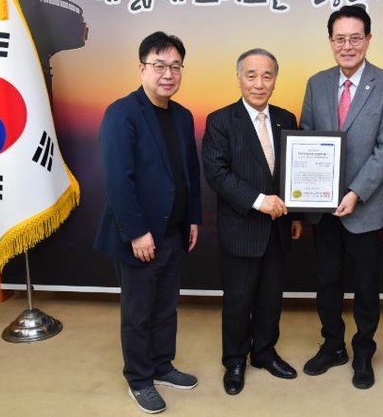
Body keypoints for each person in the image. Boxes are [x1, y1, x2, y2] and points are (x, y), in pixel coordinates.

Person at [95, 31, 202, 414]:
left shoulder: (182, 116)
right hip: (139, 236)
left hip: (174, 232)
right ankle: (139, 379)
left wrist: (193, 219)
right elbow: (117, 181)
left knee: (166, 307)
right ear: (142, 69)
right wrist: (137, 233)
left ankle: (161, 365)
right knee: (138, 312)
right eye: (159, 66)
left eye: (175, 66)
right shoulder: (122, 113)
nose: (168, 74)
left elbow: (190, 173)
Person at [300, 5, 383, 389]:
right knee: (327, 281)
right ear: (331, 41)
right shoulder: (317, 83)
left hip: (365, 208)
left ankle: (363, 352)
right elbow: (306, 138)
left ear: (368, 40)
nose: (347, 46)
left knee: (365, 286)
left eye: (355, 38)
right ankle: (332, 346)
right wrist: (314, 191)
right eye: (339, 39)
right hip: (324, 208)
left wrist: (356, 192)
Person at [202, 48, 302, 396]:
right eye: (251, 75)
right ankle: (234, 361)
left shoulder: (286, 118)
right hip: (241, 228)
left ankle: (264, 353)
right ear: (239, 78)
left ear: (275, 80)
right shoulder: (220, 120)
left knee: (271, 298)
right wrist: (259, 201)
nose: (259, 83)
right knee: (239, 300)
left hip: (279, 228)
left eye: (267, 76)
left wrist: (296, 215)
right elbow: (217, 173)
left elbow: (292, 171)